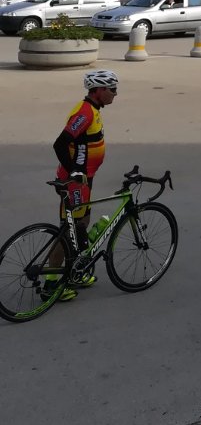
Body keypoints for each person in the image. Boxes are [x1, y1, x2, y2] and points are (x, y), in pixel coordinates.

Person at [48, 69, 120, 301]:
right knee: (67, 231)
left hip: (84, 179)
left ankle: (75, 272)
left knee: (82, 223)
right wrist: (74, 170)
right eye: (113, 89)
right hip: (75, 181)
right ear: (99, 91)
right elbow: (60, 144)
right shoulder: (85, 112)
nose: (115, 94)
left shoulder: (94, 109)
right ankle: (51, 283)